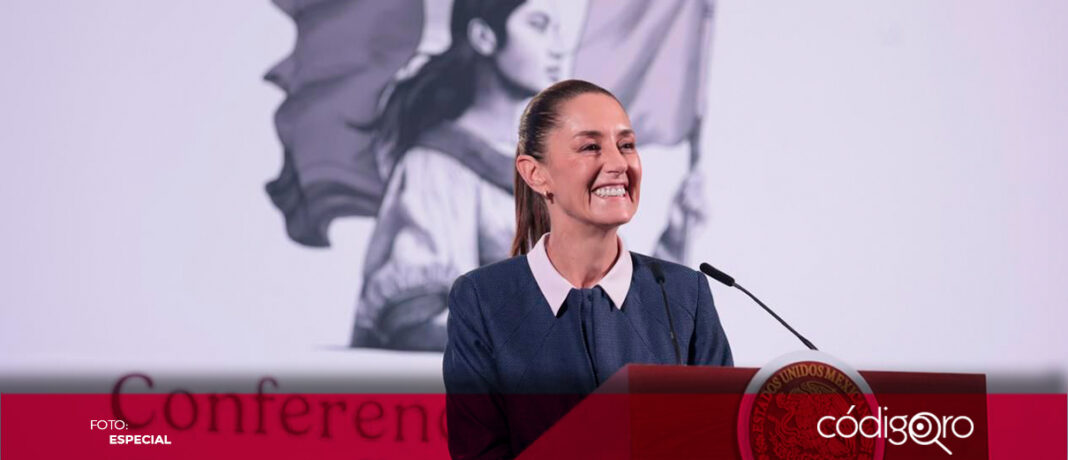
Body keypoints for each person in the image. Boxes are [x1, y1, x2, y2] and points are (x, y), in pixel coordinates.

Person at [443, 79, 733, 458]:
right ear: (535, 174)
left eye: (626, 145)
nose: (617, 163)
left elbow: (722, 440)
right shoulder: (482, 299)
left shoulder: (686, 294)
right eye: (590, 146)